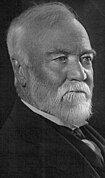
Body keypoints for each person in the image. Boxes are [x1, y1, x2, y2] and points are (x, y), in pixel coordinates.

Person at [0, 2, 105, 177]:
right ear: (20, 70)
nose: (80, 74)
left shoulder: (82, 128)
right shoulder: (12, 156)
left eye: (86, 58)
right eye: (61, 58)